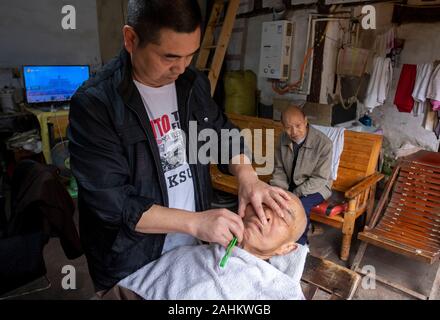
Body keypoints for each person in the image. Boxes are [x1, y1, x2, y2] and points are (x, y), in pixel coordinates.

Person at [68, 0, 290, 293]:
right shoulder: (96, 105)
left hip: (191, 244)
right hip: (132, 257)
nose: (181, 67)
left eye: (190, 55)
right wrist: (196, 222)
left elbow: (222, 133)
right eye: (170, 56)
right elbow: (113, 204)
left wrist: (248, 178)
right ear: (131, 39)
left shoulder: (191, 83)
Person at [100, 193, 308, 300]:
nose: (266, 214)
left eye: (283, 217)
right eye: (265, 204)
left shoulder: (278, 288)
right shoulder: (190, 253)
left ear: (287, 249)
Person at [270, 105, 333, 246]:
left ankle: (300, 245)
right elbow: (279, 169)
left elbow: (320, 178)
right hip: (290, 185)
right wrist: (279, 190)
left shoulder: (323, 144)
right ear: (283, 126)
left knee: (300, 206)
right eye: (288, 127)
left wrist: (295, 193)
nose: (294, 132)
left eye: (298, 125)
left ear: (305, 121)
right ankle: (276, 240)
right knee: (271, 200)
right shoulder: (282, 139)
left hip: (317, 188)